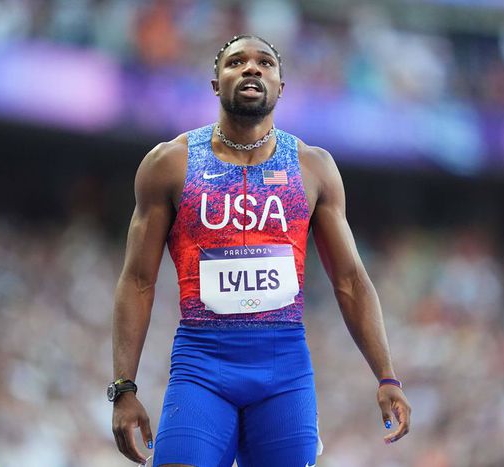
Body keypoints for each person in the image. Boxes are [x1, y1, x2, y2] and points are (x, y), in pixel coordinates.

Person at [110, 34, 411, 467]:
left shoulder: (313, 167)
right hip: (201, 363)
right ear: (216, 83)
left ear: (280, 87)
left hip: (283, 370)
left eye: (265, 62)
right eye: (236, 62)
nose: (251, 68)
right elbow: (138, 280)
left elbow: (350, 280)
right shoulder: (170, 164)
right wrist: (124, 387)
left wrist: (387, 375)